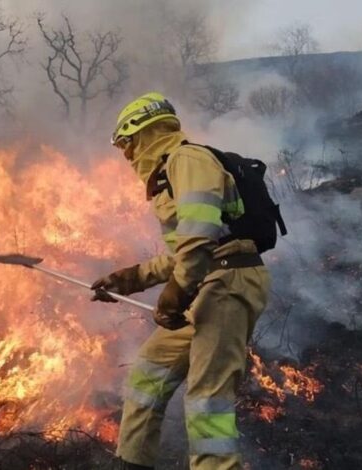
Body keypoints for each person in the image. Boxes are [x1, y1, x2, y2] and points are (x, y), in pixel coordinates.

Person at [91, 92, 271, 470]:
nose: (126, 156)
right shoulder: (172, 174)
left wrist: (176, 292)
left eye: (128, 144)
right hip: (208, 282)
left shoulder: (188, 160)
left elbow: (200, 236)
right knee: (146, 375)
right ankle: (132, 462)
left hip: (227, 283)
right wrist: (128, 279)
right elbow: (185, 253)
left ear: (145, 133)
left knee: (208, 399)